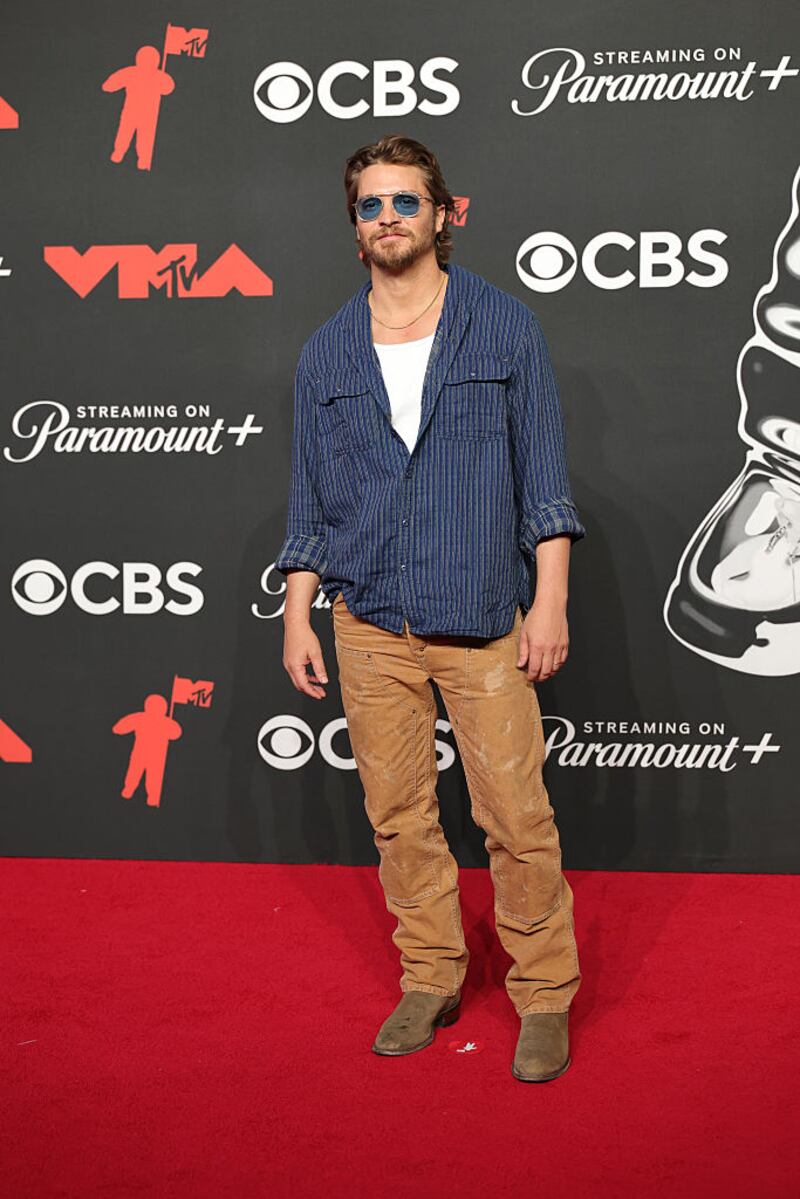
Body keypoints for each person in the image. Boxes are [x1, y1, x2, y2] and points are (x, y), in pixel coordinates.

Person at [276, 133, 586, 1083]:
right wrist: (297, 613)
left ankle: (542, 992)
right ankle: (431, 974)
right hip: (367, 622)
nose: (388, 220)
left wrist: (550, 603)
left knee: (515, 818)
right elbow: (311, 503)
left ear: (447, 214)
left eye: (406, 201)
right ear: (354, 227)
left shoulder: (504, 327)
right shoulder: (326, 350)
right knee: (400, 817)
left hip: (485, 617)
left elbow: (546, 484)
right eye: (370, 206)